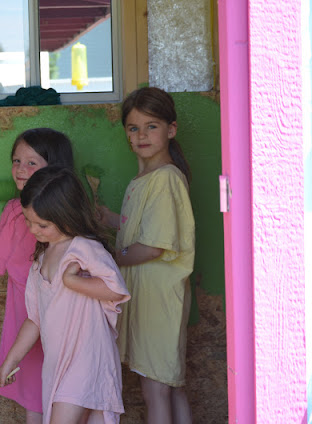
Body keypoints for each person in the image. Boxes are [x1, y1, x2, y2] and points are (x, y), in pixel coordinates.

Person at [0, 166, 130, 424]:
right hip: (58, 363)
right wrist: (11, 358)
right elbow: (34, 319)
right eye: (28, 221)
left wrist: (72, 281)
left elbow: (115, 289)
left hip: (88, 359)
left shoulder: (84, 248)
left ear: (66, 217)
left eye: (42, 225)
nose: (33, 230)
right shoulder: (40, 261)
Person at [99, 87, 195, 424]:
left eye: (151, 126)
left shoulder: (165, 178)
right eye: (133, 128)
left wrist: (111, 258)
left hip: (159, 301)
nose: (141, 135)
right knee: (168, 386)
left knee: (156, 389)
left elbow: (153, 246)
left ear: (171, 129)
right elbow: (144, 228)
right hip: (149, 299)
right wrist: (110, 219)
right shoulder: (146, 178)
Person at [0, 128, 74, 423]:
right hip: (64, 312)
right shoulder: (72, 214)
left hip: (26, 311)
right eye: (16, 161)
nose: (21, 169)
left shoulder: (16, 211)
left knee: (34, 384)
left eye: (31, 162)